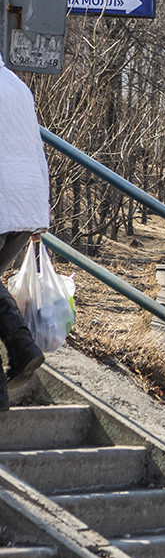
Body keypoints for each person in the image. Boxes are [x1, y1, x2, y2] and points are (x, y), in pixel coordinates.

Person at [0, 53, 50, 411]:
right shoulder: (18, 87)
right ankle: (22, 347)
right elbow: (36, 148)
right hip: (25, 202)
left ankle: (21, 349)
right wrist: (40, 212)